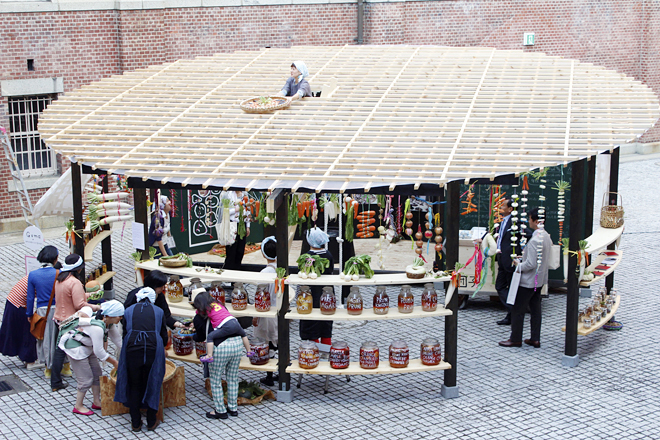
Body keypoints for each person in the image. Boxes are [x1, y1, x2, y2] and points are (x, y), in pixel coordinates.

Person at [499, 208, 556, 348]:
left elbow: (530, 264)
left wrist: (518, 264)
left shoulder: (535, 240)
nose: (528, 221)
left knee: (518, 309)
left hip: (529, 281)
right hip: (540, 279)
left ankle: (515, 338)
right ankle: (535, 338)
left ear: (536, 221)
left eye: (530, 219)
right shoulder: (546, 236)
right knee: (536, 309)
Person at [115, 287, 168, 432]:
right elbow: (164, 336)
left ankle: (135, 422)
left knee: (134, 384)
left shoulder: (128, 311)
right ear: (152, 299)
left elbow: (125, 332)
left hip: (132, 349)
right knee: (153, 382)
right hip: (153, 349)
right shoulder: (159, 311)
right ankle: (151, 421)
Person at [192, 292, 252, 420]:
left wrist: (192, 334)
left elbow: (200, 336)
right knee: (233, 377)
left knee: (215, 380)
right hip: (237, 344)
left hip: (220, 346)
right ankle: (233, 407)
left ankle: (220, 410)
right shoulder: (220, 306)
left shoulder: (200, 315)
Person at [57, 301, 123, 415]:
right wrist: (114, 362)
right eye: (119, 315)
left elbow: (118, 341)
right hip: (76, 349)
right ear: (110, 315)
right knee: (86, 379)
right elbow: (99, 352)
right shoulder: (97, 328)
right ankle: (78, 406)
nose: (120, 318)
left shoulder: (109, 324)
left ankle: (96, 401)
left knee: (97, 374)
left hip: (87, 346)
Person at [51, 254, 101, 391]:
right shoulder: (75, 282)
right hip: (69, 321)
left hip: (58, 318)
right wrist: (96, 307)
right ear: (78, 269)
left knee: (59, 350)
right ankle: (56, 381)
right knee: (63, 351)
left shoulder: (60, 279)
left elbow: (70, 296)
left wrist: (89, 295)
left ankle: (55, 380)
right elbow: (79, 304)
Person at [26, 245, 63, 376]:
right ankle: (65, 366)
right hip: (59, 309)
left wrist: (29, 314)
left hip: (42, 311)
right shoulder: (59, 273)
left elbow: (30, 297)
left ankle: (48, 367)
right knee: (60, 338)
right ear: (56, 258)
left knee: (46, 339)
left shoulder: (33, 275)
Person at [494, 199, 531, 325]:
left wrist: (522, 250)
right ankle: (513, 310)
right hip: (501, 260)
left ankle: (513, 313)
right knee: (499, 286)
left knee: (511, 289)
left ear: (510, 209)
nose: (500, 207)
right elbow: (495, 235)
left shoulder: (517, 223)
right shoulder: (500, 222)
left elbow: (529, 235)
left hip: (510, 261)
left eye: (503, 206)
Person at [299, 228, 334, 353]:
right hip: (327, 295)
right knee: (326, 323)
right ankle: (326, 351)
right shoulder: (328, 255)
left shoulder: (307, 257)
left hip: (311, 295)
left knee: (311, 322)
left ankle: (312, 351)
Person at [193, 293, 251, 364]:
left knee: (210, 337)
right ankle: (249, 351)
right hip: (234, 321)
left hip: (226, 326)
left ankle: (209, 355)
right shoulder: (218, 303)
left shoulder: (206, 308)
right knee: (244, 335)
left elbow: (198, 313)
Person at [252, 236, 278, 386]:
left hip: (267, 314)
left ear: (263, 254)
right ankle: (279, 372)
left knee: (268, 343)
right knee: (277, 342)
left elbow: (260, 297)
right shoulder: (281, 269)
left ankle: (269, 375)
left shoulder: (264, 273)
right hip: (279, 310)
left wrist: (255, 316)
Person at [124, 270, 188, 330]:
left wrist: (180, 325)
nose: (163, 289)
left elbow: (166, 316)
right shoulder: (134, 295)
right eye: (161, 286)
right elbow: (125, 316)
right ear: (153, 286)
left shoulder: (160, 296)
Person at [0, 275, 41, 369]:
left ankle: (25, 356)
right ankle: (30, 360)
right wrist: (29, 314)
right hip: (18, 305)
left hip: (12, 301)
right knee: (28, 331)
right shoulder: (48, 279)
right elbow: (33, 298)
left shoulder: (35, 274)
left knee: (18, 330)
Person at [221, 190, 251, 272]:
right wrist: (237, 209)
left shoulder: (245, 194)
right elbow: (225, 212)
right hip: (232, 224)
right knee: (231, 251)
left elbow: (248, 211)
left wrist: (248, 226)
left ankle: (237, 273)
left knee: (240, 251)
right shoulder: (228, 195)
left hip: (242, 224)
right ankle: (228, 273)